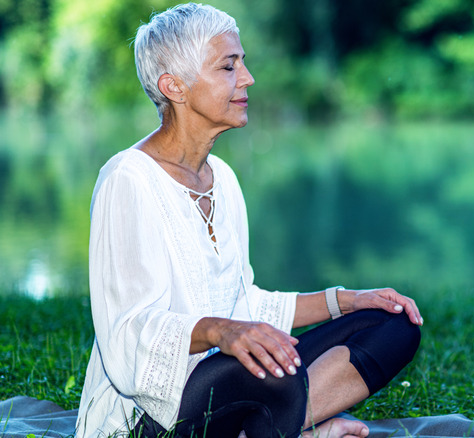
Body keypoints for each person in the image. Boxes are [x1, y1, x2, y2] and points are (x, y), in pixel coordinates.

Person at [74, 3, 423, 438]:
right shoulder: (127, 179)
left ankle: (274, 426)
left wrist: (348, 300)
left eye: (242, 63)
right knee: (267, 370)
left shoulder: (222, 179)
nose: (247, 78)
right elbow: (127, 336)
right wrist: (222, 332)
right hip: (148, 419)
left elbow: (245, 304)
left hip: (231, 383)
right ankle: (288, 425)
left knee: (392, 325)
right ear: (175, 86)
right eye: (228, 66)